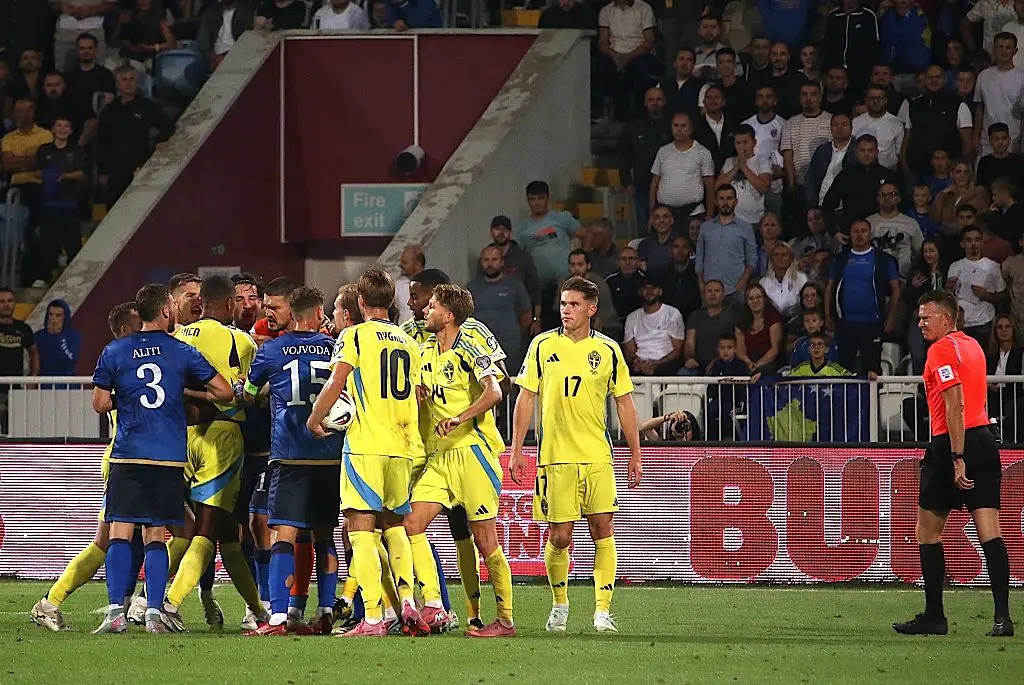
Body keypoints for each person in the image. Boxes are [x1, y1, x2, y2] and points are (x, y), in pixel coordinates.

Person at [90, 283, 233, 635]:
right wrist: (182, 390)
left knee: (121, 530)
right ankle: (153, 611)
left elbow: (100, 403)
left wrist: (127, 397)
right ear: (166, 312)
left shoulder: (114, 350)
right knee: (156, 533)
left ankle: (114, 613)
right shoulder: (181, 351)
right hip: (168, 456)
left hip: (128, 454)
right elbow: (225, 391)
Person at [509, 276, 642, 634]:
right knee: (560, 537)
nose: (566, 310)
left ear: (591, 309)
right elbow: (526, 397)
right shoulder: (542, 345)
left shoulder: (609, 351)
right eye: (563, 304)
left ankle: (602, 610)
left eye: (573, 304)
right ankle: (559, 603)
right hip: (555, 457)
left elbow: (625, 402)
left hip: (597, 455)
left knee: (603, 528)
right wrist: (518, 449)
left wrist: (635, 453)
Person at [307, 269, 424, 638]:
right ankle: (407, 599)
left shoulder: (354, 334)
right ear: (392, 301)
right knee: (394, 524)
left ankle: (373, 617)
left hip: (367, 445)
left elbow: (337, 381)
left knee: (360, 526)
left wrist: (315, 417)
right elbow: (418, 395)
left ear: (360, 301)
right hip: (403, 446)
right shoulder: (409, 342)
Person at [893, 290, 1013, 638]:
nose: (920, 323)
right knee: (990, 530)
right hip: (985, 440)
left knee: (928, 532)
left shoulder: (940, 349)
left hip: (952, 444)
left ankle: (935, 616)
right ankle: (1003, 618)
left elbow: (954, 402)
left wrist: (957, 458)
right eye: (918, 318)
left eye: (926, 317)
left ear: (947, 319)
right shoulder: (973, 346)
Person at [404, 284, 515, 638]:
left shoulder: (468, 347)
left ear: (448, 316)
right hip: (440, 458)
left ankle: (505, 620)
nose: (425, 310)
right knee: (411, 525)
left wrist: (461, 416)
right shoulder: (426, 352)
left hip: (473, 453)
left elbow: (495, 391)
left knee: (486, 542)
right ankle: (434, 604)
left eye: (432, 306)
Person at [160, 276, 267, 632]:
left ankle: (257, 611)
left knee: (228, 536)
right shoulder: (239, 339)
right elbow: (244, 392)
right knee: (207, 527)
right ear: (227, 306)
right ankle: (168, 605)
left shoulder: (177, 337)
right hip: (222, 436)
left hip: (183, 437)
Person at [30, 302, 141, 631]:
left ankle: (133, 602)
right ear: (123, 330)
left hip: (139, 456)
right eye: (138, 324)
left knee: (134, 537)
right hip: (126, 458)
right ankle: (54, 602)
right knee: (111, 540)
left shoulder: (130, 358)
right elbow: (101, 402)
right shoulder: (122, 358)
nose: (146, 328)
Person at [241, 286, 343, 635]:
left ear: (293, 313)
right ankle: (326, 609)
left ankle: (280, 618)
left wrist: (263, 389)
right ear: (317, 313)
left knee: (283, 534)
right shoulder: (335, 347)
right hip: (331, 454)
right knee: (324, 536)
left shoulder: (270, 350)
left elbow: (249, 394)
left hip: (290, 454)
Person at [826, 220, 900, 378]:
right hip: (845, 322)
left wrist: (891, 317)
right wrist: (828, 315)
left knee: (872, 369)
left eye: (863, 231)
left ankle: (874, 403)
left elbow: (895, 290)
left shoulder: (883, 259)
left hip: (873, 323)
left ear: (870, 234)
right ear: (850, 234)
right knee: (844, 370)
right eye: (855, 231)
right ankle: (845, 403)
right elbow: (830, 288)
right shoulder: (840, 259)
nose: (859, 235)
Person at [97, 65, 175, 209]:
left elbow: (168, 126)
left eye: (132, 79)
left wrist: (157, 143)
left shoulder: (147, 106)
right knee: (114, 211)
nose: (128, 83)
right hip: (115, 170)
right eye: (124, 80)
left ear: (137, 81)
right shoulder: (109, 110)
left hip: (139, 168)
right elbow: (102, 141)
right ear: (117, 84)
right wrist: (102, 171)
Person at [514, 180, 585, 330]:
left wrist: (583, 259)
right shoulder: (522, 228)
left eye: (540, 198)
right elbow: (518, 256)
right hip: (538, 288)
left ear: (548, 198)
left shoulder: (562, 218)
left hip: (565, 284)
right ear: (527, 201)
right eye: (532, 199)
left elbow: (586, 235)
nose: (537, 203)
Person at [467, 245, 532, 378]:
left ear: (502, 262)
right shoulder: (471, 287)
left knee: (511, 390)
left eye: (494, 259)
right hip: (479, 351)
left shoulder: (515, 285)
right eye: (486, 260)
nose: (490, 264)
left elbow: (526, 317)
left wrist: (513, 335)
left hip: (509, 349)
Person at [34, 115, 86, 281]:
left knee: (73, 245)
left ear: (70, 131)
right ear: (53, 129)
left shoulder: (76, 151)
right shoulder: (43, 150)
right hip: (48, 205)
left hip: (69, 205)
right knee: (47, 244)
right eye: (59, 126)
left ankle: (74, 278)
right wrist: (49, 175)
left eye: (66, 126)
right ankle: (43, 278)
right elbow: (38, 171)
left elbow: (81, 173)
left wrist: (64, 176)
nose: (62, 129)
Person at [694, 185, 757, 308]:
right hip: (710, 290)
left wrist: (743, 281)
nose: (725, 202)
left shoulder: (745, 227)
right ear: (716, 202)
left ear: (736, 201)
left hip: (735, 289)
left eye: (729, 198)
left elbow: (751, 259)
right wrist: (701, 283)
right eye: (722, 198)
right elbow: (700, 258)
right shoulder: (705, 227)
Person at [948, 226, 1008, 347]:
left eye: (977, 240)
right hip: (960, 325)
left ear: (982, 243)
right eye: (969, 240)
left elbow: (1003, 296)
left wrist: (986, 296)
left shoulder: (993, 266)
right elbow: (949, 294)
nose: (973, 244)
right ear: (962, 243)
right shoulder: (954, 266)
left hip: (983, 323)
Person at [649, 112, 716, 221]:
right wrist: (652, 213)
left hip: (693, 213)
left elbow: (710, 187)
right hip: (665, 215)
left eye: (683, 126)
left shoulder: (703, 152)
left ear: (690, 129)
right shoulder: (663, 151)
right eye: (675, 125)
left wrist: (709, 215)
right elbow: (654, 184)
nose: (679, 129)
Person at [484, 215, 541, 331]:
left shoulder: (523, 257)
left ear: (510, 233)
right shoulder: (485, 257)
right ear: (491, 232)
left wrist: (536, 319)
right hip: (491, 321)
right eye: (497, 229)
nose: (501, 232)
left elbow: (534, 289)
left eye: (505, 229)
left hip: (520, 318)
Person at [622, 276, 685, 375]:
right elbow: (629, 351)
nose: (649, 291)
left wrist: (657, 363)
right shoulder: (632, 317)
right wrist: (637, 362)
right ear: (640, 292)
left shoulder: (672, 314)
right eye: (645, 288)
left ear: (660, 291)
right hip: (639, 365)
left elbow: (677, 350)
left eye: (653, 288)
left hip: (665, 364)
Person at [904, 239, 950, 374]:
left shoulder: (948, 270)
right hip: (919, 319)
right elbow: (905, 296)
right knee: (918, 355)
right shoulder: (917, 272)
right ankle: (921, 387)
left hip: (942, 320)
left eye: (931, 251)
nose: (928, 255)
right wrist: (913, 287)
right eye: (925, 252)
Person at [868, 183, 924, 285]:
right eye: (883, 194)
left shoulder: (911, 223)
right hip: (873, 281)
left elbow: (920, 253)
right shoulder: (868, 223)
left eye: (892, 194)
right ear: (877, 198)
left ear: (899, 198)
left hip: (904, 282)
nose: (887, 197)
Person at [682, 279, 738, 373]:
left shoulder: (732, 316)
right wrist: (690, 358)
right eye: (709, 291)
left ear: (723, 295)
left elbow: (738, 345)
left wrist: (718, 362)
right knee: (684, 373)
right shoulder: (695, 316)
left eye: (716, 291)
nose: (713, 294)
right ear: (704, 294)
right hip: (698, 365)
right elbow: (689, 343)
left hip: (725, 363)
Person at [986, 314, 1024, 442]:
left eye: (1007, 326)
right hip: (992, 394)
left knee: (1014, 404)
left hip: (1012, 394)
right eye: (999, 327)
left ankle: (1010, 441)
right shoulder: (990, 354)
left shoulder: (1020, 352)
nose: (1003, 330)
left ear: (1013, 329)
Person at [735, 283, 784, 375]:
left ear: (764, 299)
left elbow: (775, 350)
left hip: (769, 363)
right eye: (751, 298)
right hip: (748, 363)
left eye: (758, 297)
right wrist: (749, 363)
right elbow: (740, 351)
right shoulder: (741, 322)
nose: (755, 301)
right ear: (746, 302)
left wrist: (758, 366)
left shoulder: (773, 318)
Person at [760, 242, 808, 320]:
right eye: (776, 255)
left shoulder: (802, 278)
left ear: (791, 258)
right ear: (771, 259)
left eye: (784, 255)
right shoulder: (763, 282)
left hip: (798, 320)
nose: (780, 258)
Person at [0, 287, 39, 380]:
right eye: (2, 301)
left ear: (14, 303)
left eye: (9, 301)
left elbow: (33, 352)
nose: (6, 305)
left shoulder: (23, 328)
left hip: (15, 388)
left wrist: (32, 379)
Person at [34, 299, 79, 377]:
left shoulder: (74, 336)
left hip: (66, 382)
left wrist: (59, 337)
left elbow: (69, 359)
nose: (53, 318)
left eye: (58, 315)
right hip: (44, 382)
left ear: (65, 317)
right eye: (50, 314)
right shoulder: (39, 336)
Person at [605, 246, 646, 332]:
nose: (627, 262)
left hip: (641, 324)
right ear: (618, 262)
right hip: (615, 325)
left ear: (638, 261)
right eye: (623, 259)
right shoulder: (609, 281)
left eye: (631, 259)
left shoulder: (646, 281)